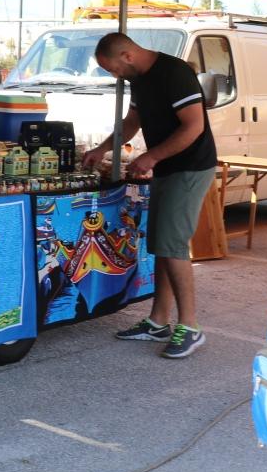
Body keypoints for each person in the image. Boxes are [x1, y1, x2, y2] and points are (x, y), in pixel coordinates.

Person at [83, 32, 218, 359]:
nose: (114, 76)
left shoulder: (174, 73)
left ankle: (190, 326)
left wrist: (151, 156)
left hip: (190, 167)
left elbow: (194, 127)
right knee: (161, 244)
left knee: (173, 244)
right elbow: (132, 122)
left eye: (112, 68)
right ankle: (158, 321)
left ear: (127, 55)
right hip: (168, 168)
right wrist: (102, 149)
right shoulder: (139, 80)